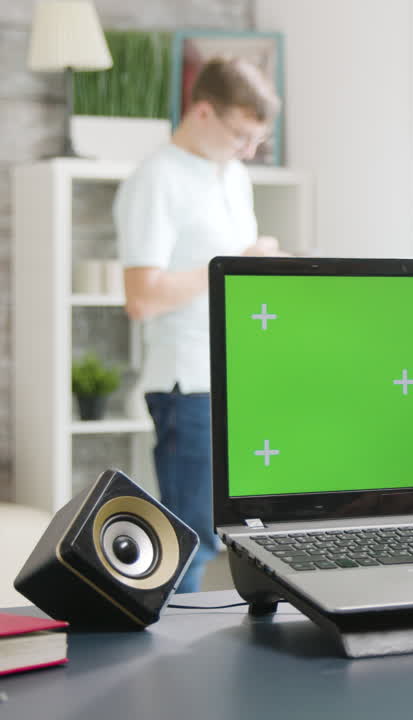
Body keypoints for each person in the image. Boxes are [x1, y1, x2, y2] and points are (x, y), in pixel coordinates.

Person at [114, 57, 282, 593]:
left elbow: (229, 272)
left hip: (239, 379)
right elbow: (141, 297)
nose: (248, 151)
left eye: (257, 140)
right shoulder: (156, 180)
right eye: (240, 136)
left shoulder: (232, 175)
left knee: (252, 532)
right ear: (203, 112)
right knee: (190, 540)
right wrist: (233, 264)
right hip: (188, 384)